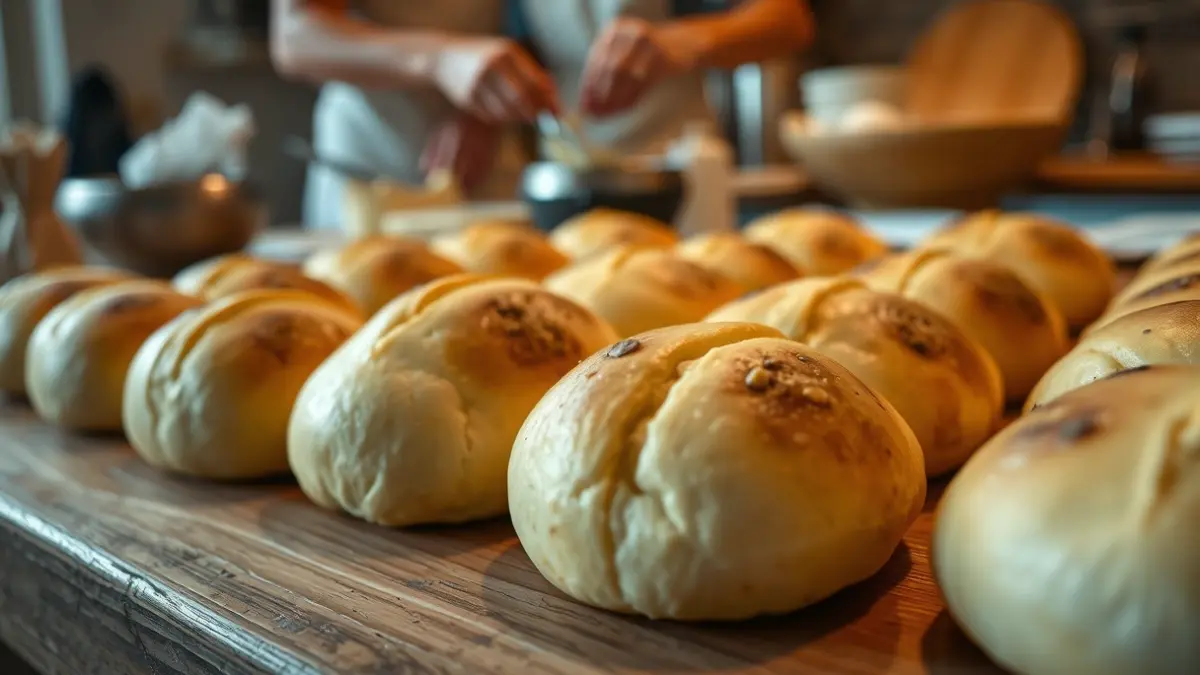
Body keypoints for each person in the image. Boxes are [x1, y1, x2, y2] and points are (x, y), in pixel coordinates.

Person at [271, 0, 813, 229]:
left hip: (652, 169)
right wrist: (440, 62)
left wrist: (484, 108)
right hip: (373, 163)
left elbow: (790, 17)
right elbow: (295, 34)